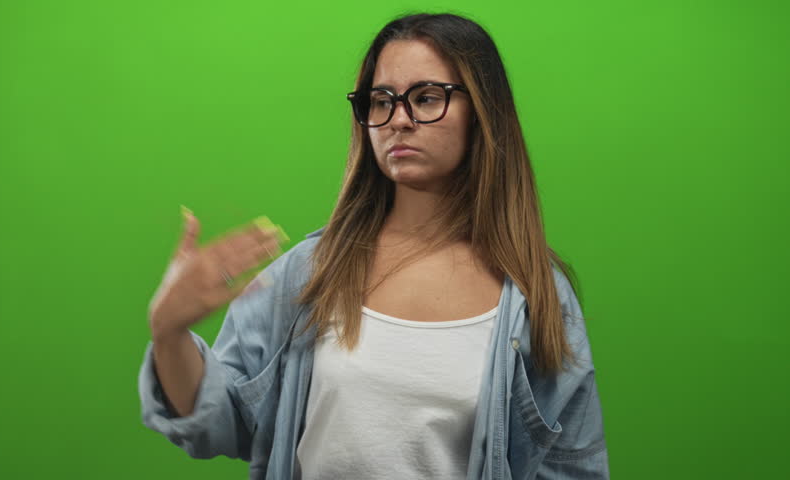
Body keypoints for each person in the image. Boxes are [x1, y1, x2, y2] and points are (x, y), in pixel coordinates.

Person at [139, 12, 609, 480]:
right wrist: (168, 331)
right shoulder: (309, 274)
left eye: (426, 98)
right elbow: (223, 422)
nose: (398, 120)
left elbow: (573, 468)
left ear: (483, 111)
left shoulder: (534, 297)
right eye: (380, 101)